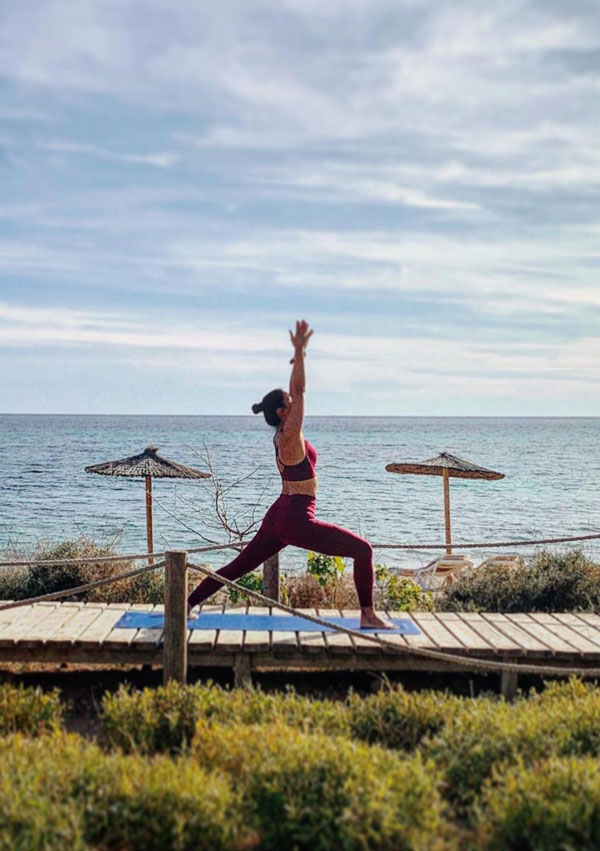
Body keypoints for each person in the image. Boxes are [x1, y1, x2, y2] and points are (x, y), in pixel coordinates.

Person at [187, 319, 394, 629]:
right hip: (296, 516)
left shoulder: (284, 435)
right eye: (289, 402)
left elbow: (295, 390)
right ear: (283, 412)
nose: (295, 401)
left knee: (238, 566)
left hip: (280, 513)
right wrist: (299, 351)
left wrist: (299, 359)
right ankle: (368, 615)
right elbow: (299, 388)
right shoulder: (290, 433)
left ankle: (185, 604)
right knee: (363, 550)